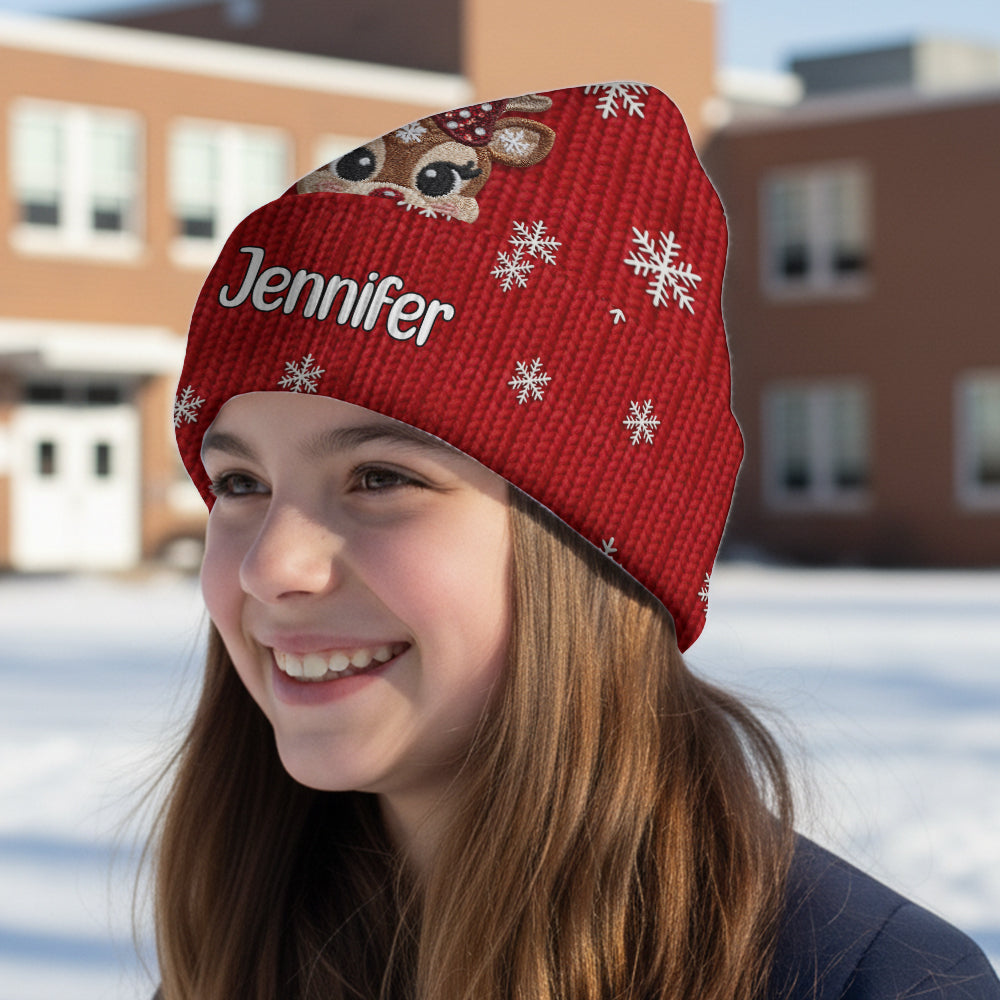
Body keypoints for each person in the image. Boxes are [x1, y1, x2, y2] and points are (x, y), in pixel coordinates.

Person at [157, 83, 999, 1000]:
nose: (271, 566)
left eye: (381, 478)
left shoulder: (875, 983)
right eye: (240, 483)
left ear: (592, 548)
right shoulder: (242, 950)